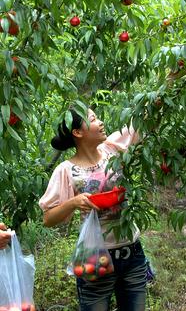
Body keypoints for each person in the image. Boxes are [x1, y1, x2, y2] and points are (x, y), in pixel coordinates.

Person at [39, 107, 147, 311]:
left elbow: (141, 120)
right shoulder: (66, 170)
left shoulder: (112, 149)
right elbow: (48, 218)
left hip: (132, 253)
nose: (101, 122)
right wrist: (73, 202)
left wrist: (169, 83)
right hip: (95, 259)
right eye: (93, 119)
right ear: (77, 132)